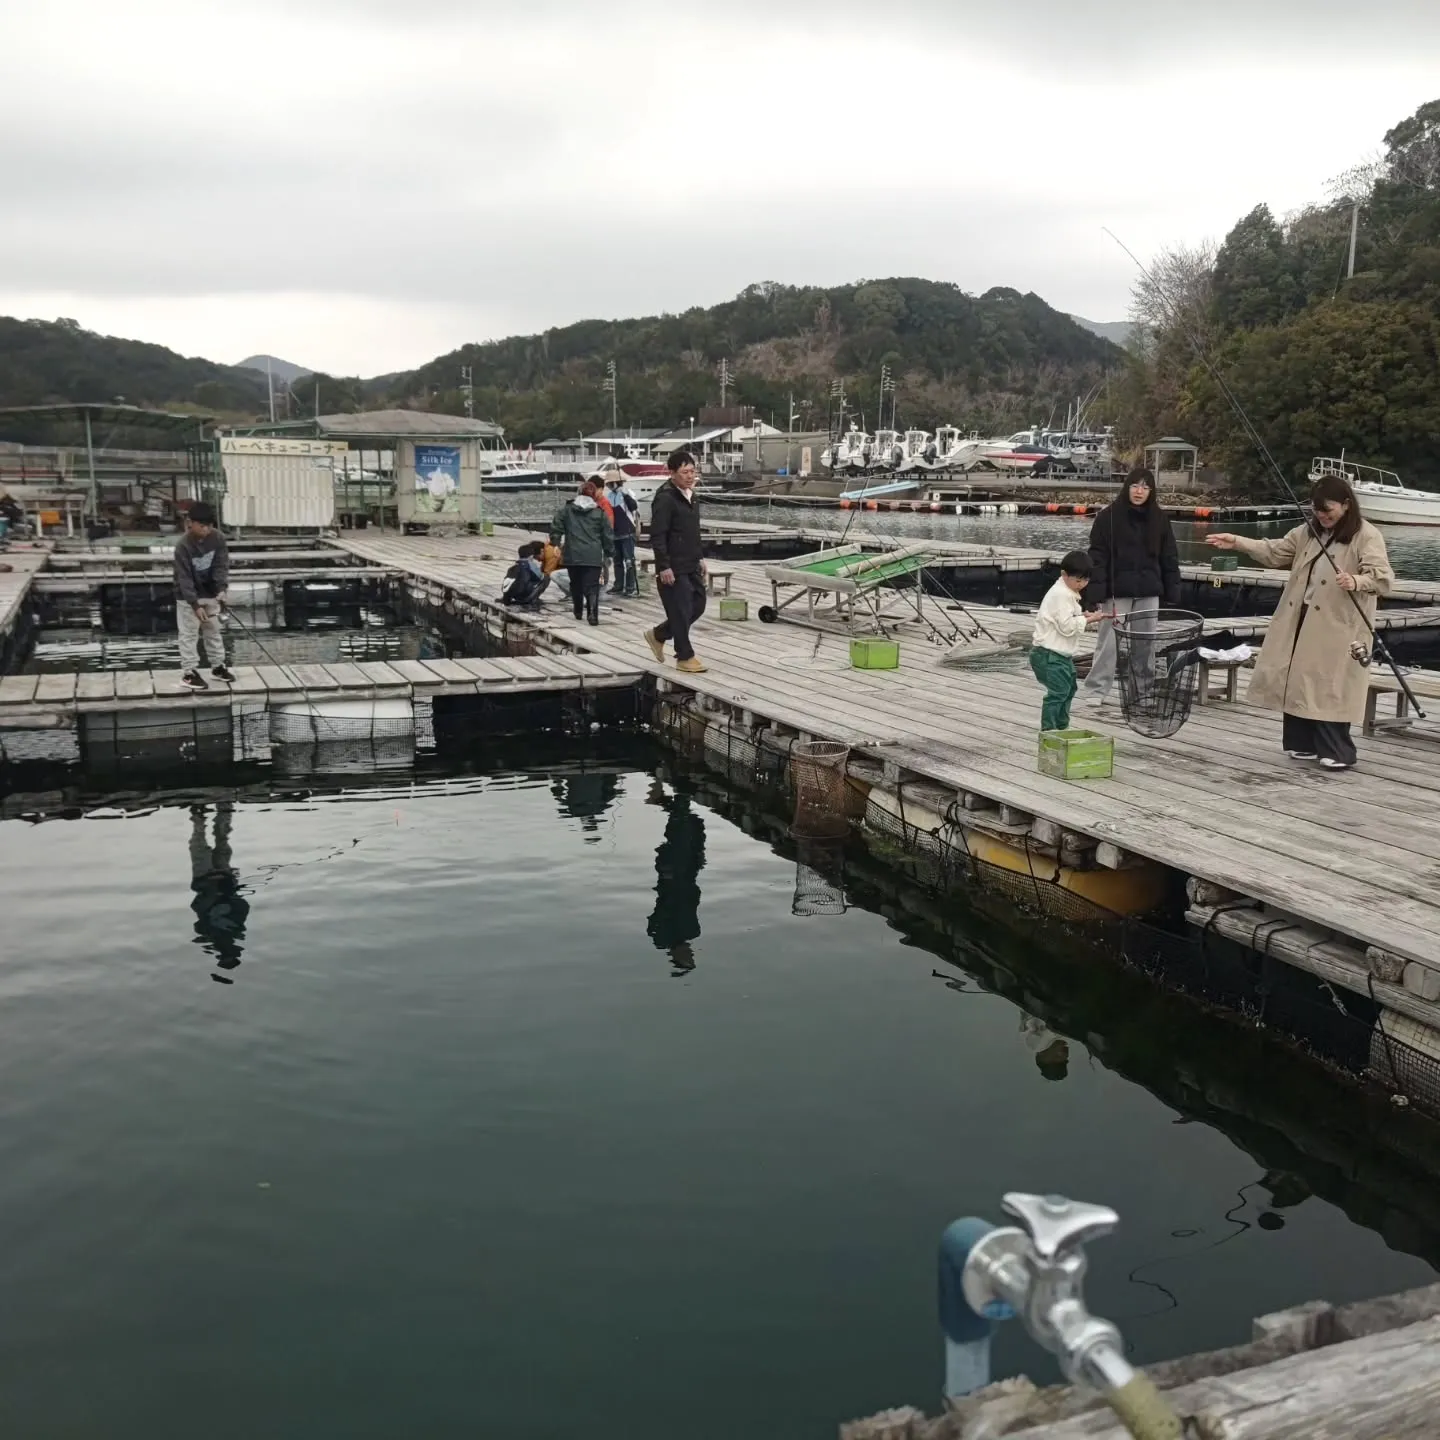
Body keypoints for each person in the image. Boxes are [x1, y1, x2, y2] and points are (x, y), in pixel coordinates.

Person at [1206, 473, 1393, 770]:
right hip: (1300, 618)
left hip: (1339, 625)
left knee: (1328, 685)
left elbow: (1382, 579)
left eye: (1328, 510)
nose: (1322, 516)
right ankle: (1301, 743)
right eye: (1316, 511)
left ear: (1346, 504)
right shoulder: (1307, 531)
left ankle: (1338, 750)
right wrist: (1238, 542)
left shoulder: (1367, 535)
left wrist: (1356, 580)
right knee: (1297, 678)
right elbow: (1274, 552)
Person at [1079, 467, 1181, 708]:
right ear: (1127, 487)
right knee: (1108, 643)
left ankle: (1142, 693)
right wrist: (1094, 594)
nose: (1139, 491)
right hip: (1117, 592)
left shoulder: (1160, 519)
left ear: (1151, 491)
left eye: (1145, 487)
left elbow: (1169, 557)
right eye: (1135, 485)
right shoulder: (1107, 517)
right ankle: (1096, 689)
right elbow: (1097, 558)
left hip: (1148, 591)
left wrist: (1173, 590)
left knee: (1145, 645)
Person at [643, 449, 708, 673]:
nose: (690, 476)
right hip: (673, 564)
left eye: (692, 471)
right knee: (680, 609)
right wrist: (664, 566)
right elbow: (658, 535)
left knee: (698, 604)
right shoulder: (666, 498)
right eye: (684, 472)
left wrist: (700, 557)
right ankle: (684, 656)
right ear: (672, 473)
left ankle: (659, 634)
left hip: (691, 560)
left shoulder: (692, 496)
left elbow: (693, 531)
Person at [1029, 550, 1102, 732]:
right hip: (1049, 654)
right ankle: (1049, 731)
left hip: (1061, 655)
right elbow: (1067, 627)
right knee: (1058, 692)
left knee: (1069, 689)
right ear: (1064, 574)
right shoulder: (1061, 595)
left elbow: (1066, 618)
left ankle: (1062, 727)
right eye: (1078, 580)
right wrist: (1089, 620)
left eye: (1086, 580)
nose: (1082, 584)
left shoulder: (1067, 592)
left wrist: (1083, 615)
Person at [174, 502, 235, 690]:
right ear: (190, 523)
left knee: (213, 630)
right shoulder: (183, 545)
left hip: (210, 593)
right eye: (202, 526)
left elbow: (221, 565)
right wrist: (194, 604)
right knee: (189, 634)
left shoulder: (218, 538)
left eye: (209, 525)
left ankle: (218, 666)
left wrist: (221, 588)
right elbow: (183, 577)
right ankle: (189, 673)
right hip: (187, 596)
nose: (206, 530)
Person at [550, 479, 613, 626]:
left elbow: (556, 526)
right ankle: (593, 615)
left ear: (578, 493)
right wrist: (609, 552)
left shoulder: (567, 510)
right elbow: (607, 536)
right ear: (594, 495)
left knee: (575, 584)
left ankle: (578, 611)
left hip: (572, 554)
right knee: (592, 586)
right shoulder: (600, 513)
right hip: (593, 556)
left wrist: (556, 543)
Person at [604, 474, 641, 597]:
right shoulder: (609, 496)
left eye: (611, 483)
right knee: (617, 561)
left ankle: (631, 588)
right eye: (608, 484)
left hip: (627, 532)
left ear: (618, 482)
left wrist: (625, 495)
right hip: (615, 533)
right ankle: (618, 586)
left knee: (629, 561)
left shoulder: (627, 493)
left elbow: (634, 506)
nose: (609, 485)